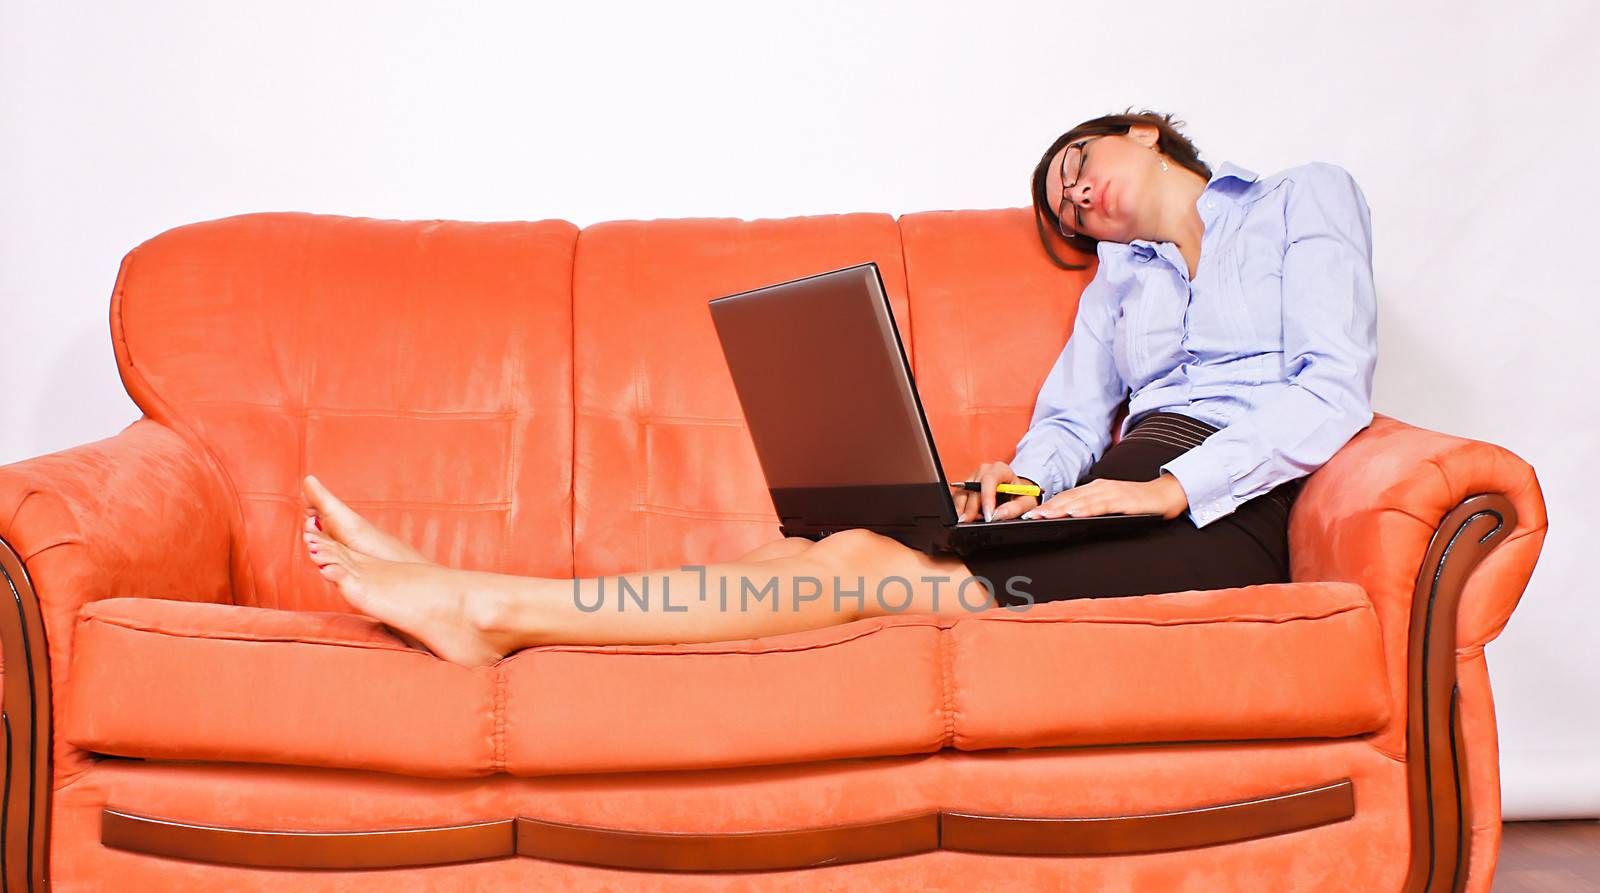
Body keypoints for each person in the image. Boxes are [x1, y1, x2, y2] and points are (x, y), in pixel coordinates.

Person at [299, 108, 1377, 667]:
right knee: (820, 552)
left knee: (859, 561)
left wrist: (1170, 490)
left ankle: (486, 610)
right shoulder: (1118, 277)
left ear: (1142, 131)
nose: (1077, 196)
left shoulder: (1298, 201)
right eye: (1065, 203)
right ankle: (465, 588)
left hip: (1223, 515)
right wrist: (1022, 488)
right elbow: (1070, 421)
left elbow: (1332, 389)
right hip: (1109, 499)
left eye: (1080, 168)